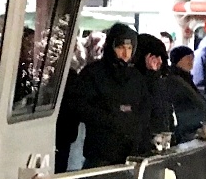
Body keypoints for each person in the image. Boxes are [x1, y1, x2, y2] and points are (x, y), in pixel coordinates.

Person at [65, 22, 152, 168]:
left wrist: (134, 124)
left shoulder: (137, 77)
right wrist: (110, 118)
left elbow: (146, 108)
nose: (125, 54)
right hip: (100, 154)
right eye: (121, 48)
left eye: (129, 48)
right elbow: (78, 106)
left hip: (131, 154)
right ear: (111, 46)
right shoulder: (93, 73)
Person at [133, 33, 175, 146]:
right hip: (145, 142)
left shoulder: (161, 79)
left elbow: (166, 109)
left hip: (161, 140)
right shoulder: (134, 80)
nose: (159, 61)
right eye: (155, 57)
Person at [168, 45, 206, 142]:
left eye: (192, 58)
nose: (191, 61)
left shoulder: (186, 79)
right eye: (187, 58)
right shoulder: (174, 81)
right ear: (178, 60)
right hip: (185, 132)